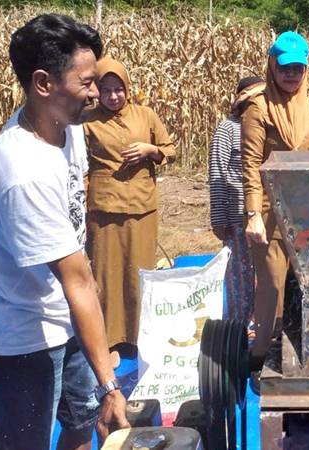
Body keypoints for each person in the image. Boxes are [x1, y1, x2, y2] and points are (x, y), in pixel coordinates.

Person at [0, 14, 128, 449]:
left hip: (69, 320)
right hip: (24, 338)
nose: (96, 92)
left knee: (81, 427)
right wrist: (110, 385)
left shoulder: (65, 124)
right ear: (43, 83)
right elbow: (77, 280)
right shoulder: (23, 171)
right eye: (86, 83)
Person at [83, 57, 176, 366]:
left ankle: (139, 336)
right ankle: (107, 341)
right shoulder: (86, 120)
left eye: (118, 89)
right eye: (106, 90)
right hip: (103, 206)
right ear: (97, 90)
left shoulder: (145, 116)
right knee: (105, 273)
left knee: (139, 272)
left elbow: (170, 149)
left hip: (141, 205)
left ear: (127, 88)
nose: (113, 97)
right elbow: (79, 164)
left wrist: (151, 151)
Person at [241, 31, 309, 368]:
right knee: (272, 288)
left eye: (297, 68)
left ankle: (307, 353)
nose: (291, 75)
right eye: (284, 68)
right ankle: (263, 355)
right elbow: (249, 163)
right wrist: (252, 214)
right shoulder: (258, 108)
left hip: (308, 213)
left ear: (306, 70)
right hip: (270, 213)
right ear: (272, 66)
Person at [209, 76, 265, 323]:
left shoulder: (265, 125)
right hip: (236, 213)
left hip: (264, 213)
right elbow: (218, 174)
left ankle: (262, 323)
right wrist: (219, 218)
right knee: (239, 275)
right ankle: (238, 327)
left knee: (264, 272)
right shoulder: (228, 129)